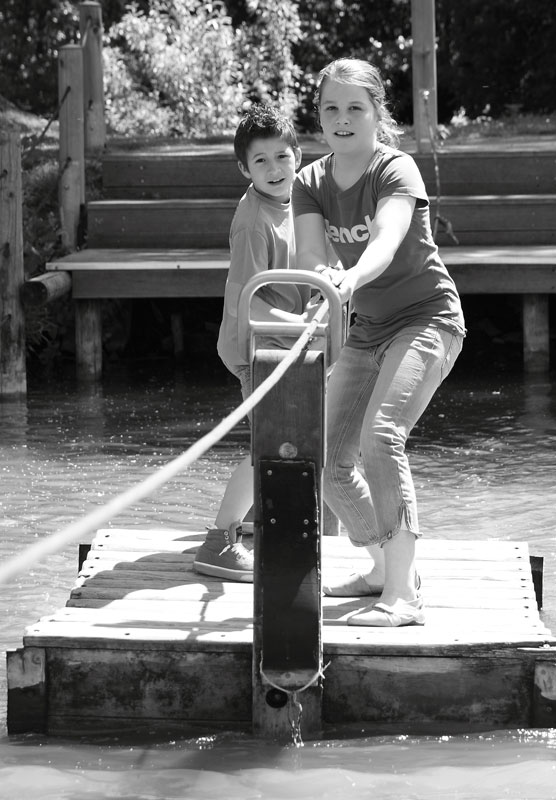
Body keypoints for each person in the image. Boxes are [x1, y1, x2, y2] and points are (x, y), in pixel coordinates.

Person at [292, 59, 465, 627]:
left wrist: (350, 279)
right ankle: (379, 569)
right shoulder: (309, 184)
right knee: (326, 455)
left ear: (376, 114)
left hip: (428, 318)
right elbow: (313, 255)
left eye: (354, 109)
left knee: (380, 436)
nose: (341, 120)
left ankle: (404, 597)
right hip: (368, 325)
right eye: (330, 109)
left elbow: (387, 242)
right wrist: (326, 281)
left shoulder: (397, 170)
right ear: (319, 116)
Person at [194, 104, 311, 582]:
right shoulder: (252, 220)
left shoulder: (298, 202)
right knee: (268, 445)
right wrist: (305, 324)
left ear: (298, 156)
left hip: (291, 343)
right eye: (260, 162)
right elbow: (250, 301)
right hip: (258, 348)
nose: (274, 169)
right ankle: (219, 540)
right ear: (244, 169)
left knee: (298, 441)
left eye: (282, 156)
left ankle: (273, 522)